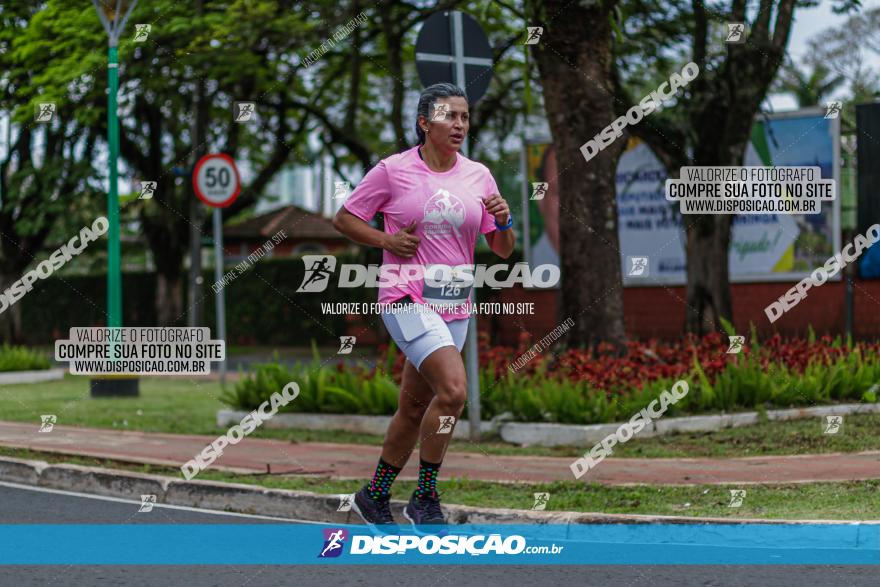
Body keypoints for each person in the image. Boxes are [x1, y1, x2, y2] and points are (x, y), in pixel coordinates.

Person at [331, 82, 515, 534]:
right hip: (406, 298)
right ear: (424, 122)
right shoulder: (393, 171)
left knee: (415, 408)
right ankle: (425, 495)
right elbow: (345, 217)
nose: (459, 125)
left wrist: (505, 220)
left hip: (455, 305)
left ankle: (373, 496)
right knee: (453, 392)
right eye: (449, 116)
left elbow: (503, 250)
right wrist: (387, 240)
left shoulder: (479, 176)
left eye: (464, 117)